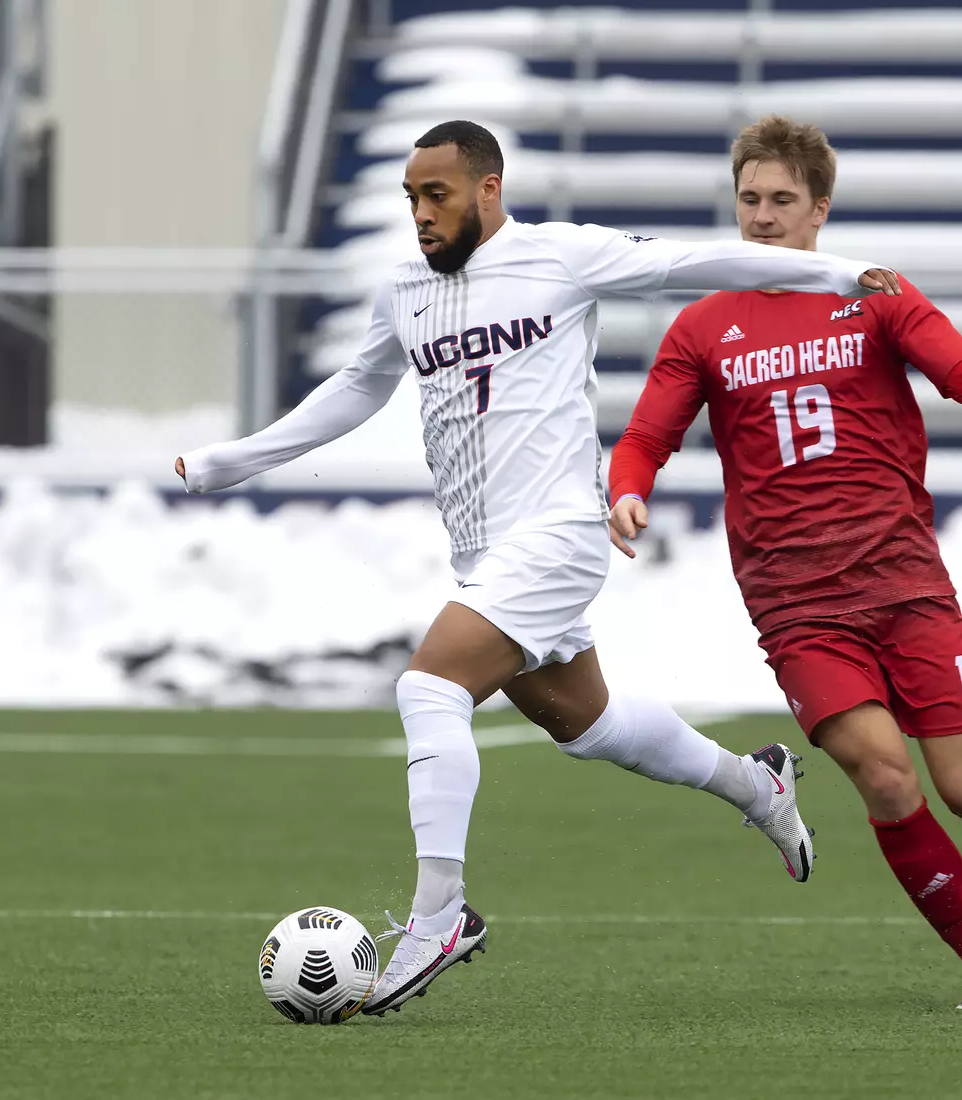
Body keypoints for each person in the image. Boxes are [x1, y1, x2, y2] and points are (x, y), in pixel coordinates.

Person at [174, 120, 906, 1015]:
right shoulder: (404, 288)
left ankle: (439, 914)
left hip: (557, 536)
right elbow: (358, 388)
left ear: (488, 189)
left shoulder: (562, 257)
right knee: (588, 725)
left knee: (429, 688)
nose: (420, 214)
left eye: (435, 194)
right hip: (486, 554)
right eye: (409, 198)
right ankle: (758, 783)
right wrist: (234, 460)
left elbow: (699, 262)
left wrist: (834, 274)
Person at [606, 115, 962, 1011]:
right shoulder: (703, 325)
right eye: (749, 199)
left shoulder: (874, 293)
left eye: (781, 201)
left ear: (820, 209)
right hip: (792, 595)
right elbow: (650, 431)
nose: (762, 217)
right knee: (885, 776)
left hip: (902, 576)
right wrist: (628, 485)